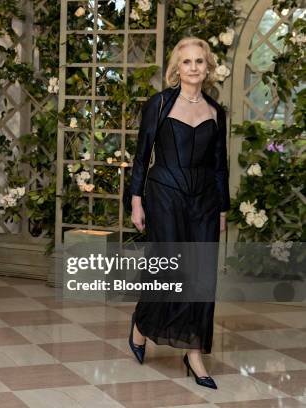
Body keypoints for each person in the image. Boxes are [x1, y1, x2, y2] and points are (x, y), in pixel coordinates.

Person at [126, 37, 229, 389]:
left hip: (204, 200)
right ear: (177, 68)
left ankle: (194, 352)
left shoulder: (217, 110)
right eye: (187, 62)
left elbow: (220, 167)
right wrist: (136, 200)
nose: (194, 67)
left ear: (208, 67)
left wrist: (223, 208)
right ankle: (142, 324)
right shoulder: (158, 105)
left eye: (200, 61)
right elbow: (142, 157)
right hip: (165, 195)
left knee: (201, 276)